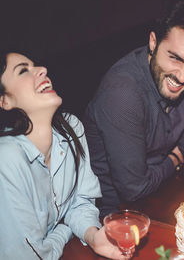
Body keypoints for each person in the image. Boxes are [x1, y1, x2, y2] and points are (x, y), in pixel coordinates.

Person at [83, 0, 184, 217]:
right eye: (175, 58)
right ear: (153, 42)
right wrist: (175, 160)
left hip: (160, 198)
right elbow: (134, 190)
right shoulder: (122, 94)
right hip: (113, 217)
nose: (183, 76)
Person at [0, 51, 130, 260]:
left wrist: (93, 236)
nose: (42, 70)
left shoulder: (71, 128)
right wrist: (64, 230)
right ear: (5, 101)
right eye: (24, 70)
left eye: (37, 66)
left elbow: (80, 202)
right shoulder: (6, 157)